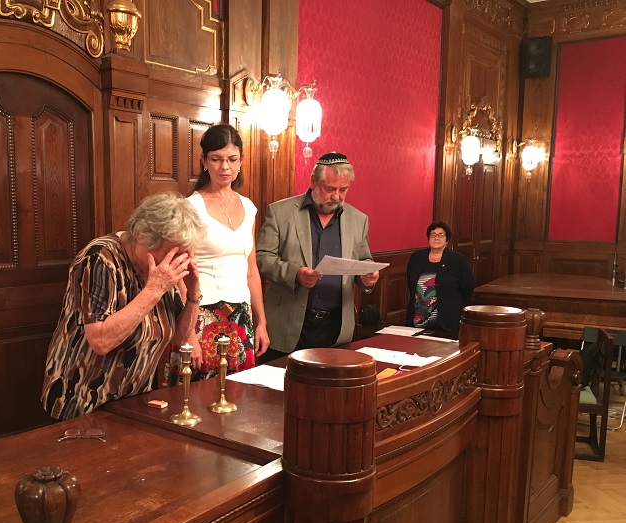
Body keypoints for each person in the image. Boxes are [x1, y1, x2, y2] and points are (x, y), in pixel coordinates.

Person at [41, 191, 206, 420]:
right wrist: (153, 290)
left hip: (132, 403)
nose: (176, 260)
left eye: (183, 252)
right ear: (142, 235)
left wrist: (194, 295)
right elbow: (100, 341)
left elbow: (180, 338)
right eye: (170, 251)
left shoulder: (161, 269)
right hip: (81, 402)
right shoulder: (100, 259)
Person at [165, 124, 269, 384]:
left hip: (241, 314)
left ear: (241, 161)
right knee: (195, 397)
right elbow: (180, 273)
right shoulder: (190, 207)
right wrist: (188, 331)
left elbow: (251, 270)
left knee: (239, 395)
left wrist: (261, 322)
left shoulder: (249, 207)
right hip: (201, 314)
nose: (225, 167)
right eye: (217, 159)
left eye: (232, 159)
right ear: (204, 161)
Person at [256, 152, 379, 361]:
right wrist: (295, 274)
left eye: (343, 190)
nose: (336, 196)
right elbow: (262, 258)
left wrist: (368, 276)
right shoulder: (280, 212)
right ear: (314, 182)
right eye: (330, 189)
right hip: (287, 324)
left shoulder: (359, 219)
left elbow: (364, 259)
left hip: (335, 329)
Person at [405, 221, 475, 338]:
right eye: (433, 234)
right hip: (418, 319)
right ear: (428, 238)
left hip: (446, 323)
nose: (436, 237)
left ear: (447, 240)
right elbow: (411, 283)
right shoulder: (417, 257)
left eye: (441, 235)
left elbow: (468, 287)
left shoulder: (458, 261)